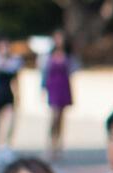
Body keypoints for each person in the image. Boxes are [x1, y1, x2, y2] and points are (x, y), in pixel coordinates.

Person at [0, 38, 26, 165]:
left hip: (8, 94)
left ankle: (7, 147)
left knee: (10, 122)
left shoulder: (15, 61)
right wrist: (1, 62)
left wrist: (18, 95)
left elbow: (16, 79)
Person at [42, 33, 78, 162]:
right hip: (54, 88)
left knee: (62, 118)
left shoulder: (68, 56)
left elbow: (74, 69)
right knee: (54, 117)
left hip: (64, 87)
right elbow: (44, 72)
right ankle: (50, 144)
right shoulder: (49, 56)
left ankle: (59, 145)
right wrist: (43, 88)